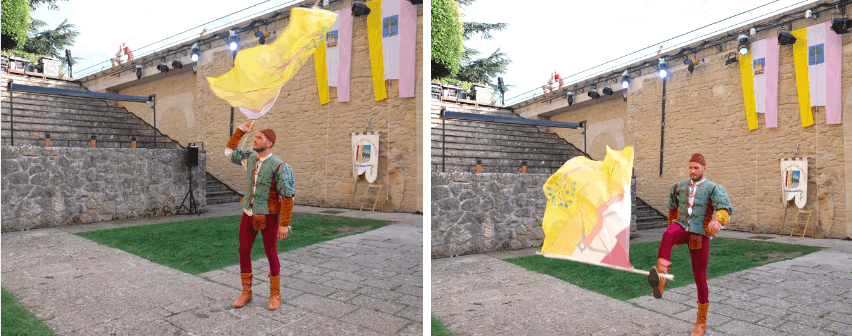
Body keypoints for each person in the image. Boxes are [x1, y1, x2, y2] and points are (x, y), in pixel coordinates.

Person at [647, 153, 732, 336]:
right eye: (690, 168)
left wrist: (718, 221)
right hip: (682, 227)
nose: (693, 171)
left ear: (704, 169)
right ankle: (661, 280)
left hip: (699, 233)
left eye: (696, 168)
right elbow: (672, 207)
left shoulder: (713, 188)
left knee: (700, 277)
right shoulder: (679, 186)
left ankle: (701, 322)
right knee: (668, 234)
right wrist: (672, 223)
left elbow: (724, 208)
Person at [224, 120, 295, 311]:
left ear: (269, 143)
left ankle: (275, 294)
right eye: (255, 137)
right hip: (248, 212)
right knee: (243, 250)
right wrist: (241, 131)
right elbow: (229, 152)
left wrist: (284, 223)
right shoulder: (250, 158)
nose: (255, 140)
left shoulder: (279, 166)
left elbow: (287, 197)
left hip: (270, 215)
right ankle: (246, 292)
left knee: (271, 253)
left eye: (259, 137)